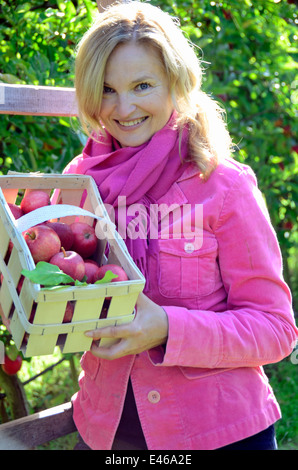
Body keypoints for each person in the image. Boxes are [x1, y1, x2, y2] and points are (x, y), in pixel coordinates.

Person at [63, 1, 298, 450]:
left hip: (215, 429)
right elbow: (64, 286)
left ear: (177, 83)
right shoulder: (79, 181)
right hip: (107, 426)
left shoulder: (223, 186)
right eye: (107, 89)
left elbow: (276, 329)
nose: (123, 107)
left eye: (142, 85)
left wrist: (167, 327)